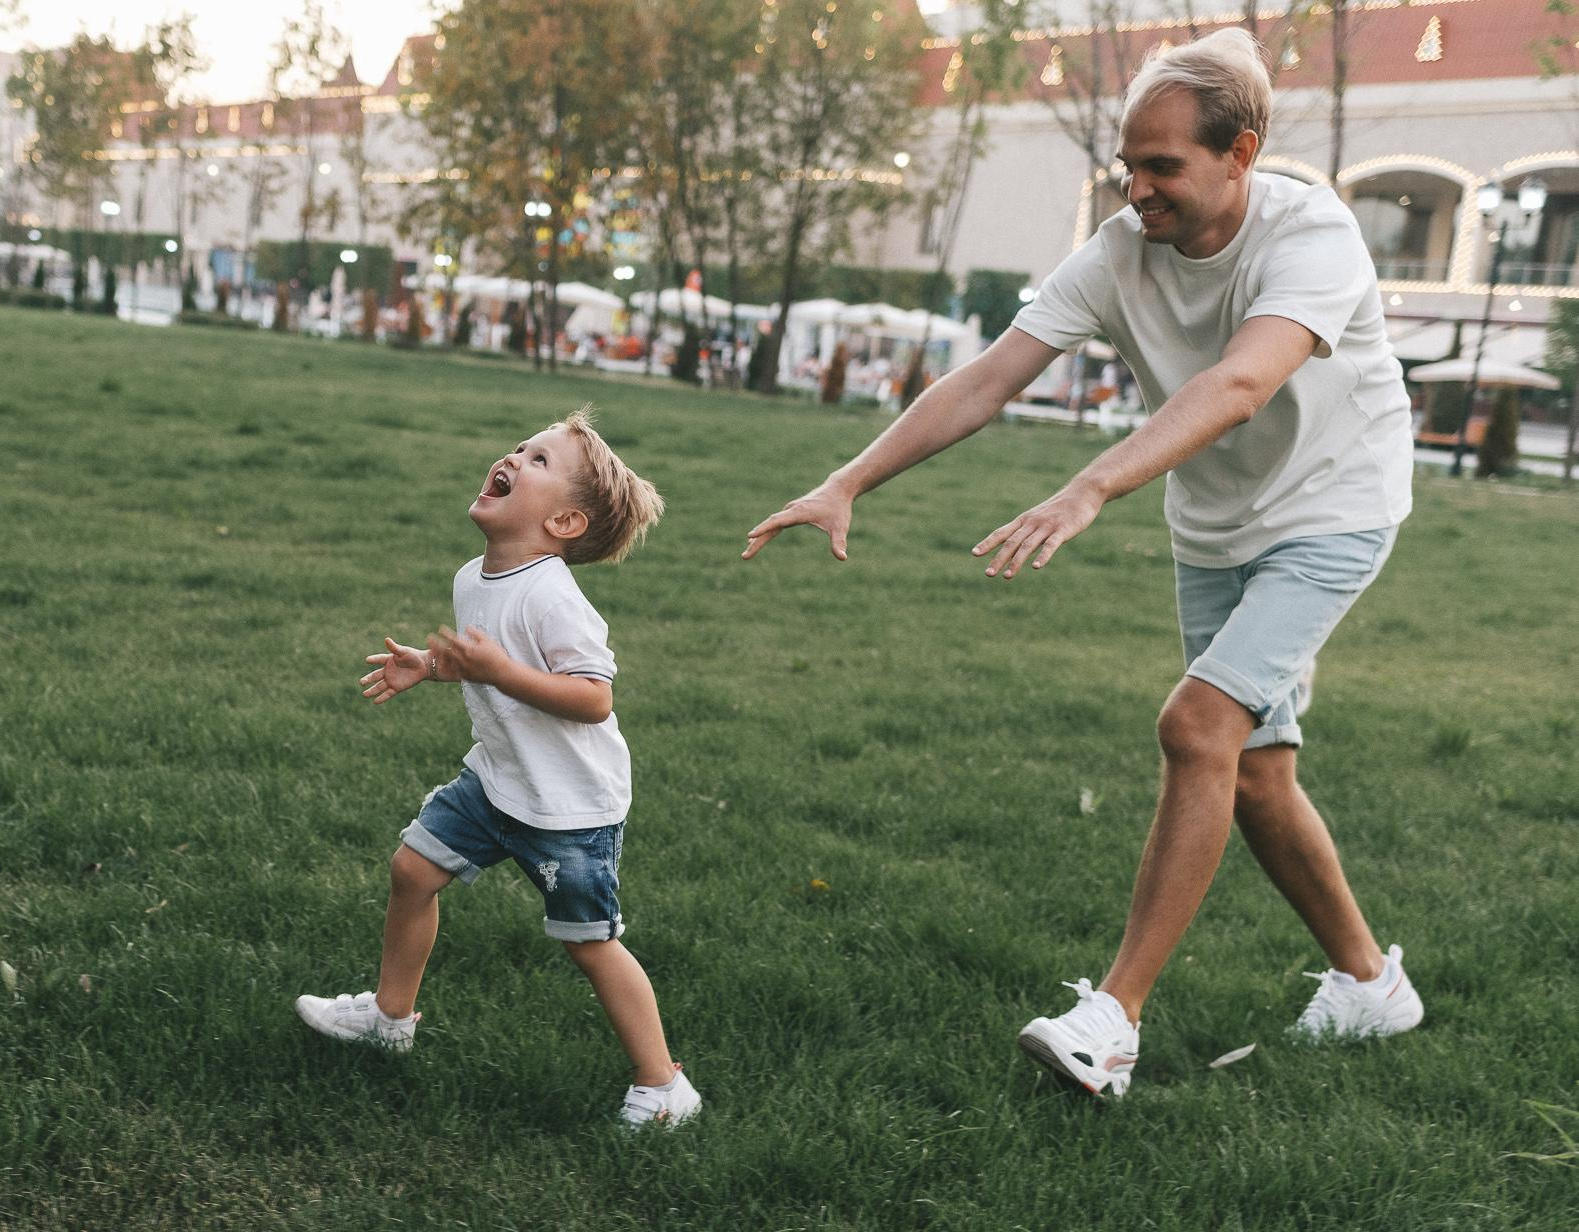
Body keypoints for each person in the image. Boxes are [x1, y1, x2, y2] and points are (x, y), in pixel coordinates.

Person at [740, 29, 1420, 1100]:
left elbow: (1243, 382)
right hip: (1216, 521)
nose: (1136, 188)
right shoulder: (1117, 250)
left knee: (1196, 726)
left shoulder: (1312, 234)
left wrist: (1092, 484)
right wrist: (848, 482)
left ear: (1240, 152)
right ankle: (1371, 982)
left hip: (1334, 511)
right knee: (1254, 773)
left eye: (1163, 168)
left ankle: (1113, 1020)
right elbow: (989, 378)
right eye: (1126, 163)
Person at [296, 407, 700, 1129]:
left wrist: (496, 669)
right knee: (412, 871)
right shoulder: (473, 577)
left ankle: (663, 1081)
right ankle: (391, 1019)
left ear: (566, 524)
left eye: (539, 460)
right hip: (497, 782)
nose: (514, 457)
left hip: (570, 810)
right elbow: (488, 668)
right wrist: (435, 666)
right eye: (520, 447)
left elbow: (593, 698)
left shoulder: (553, 596)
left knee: (592, 945)